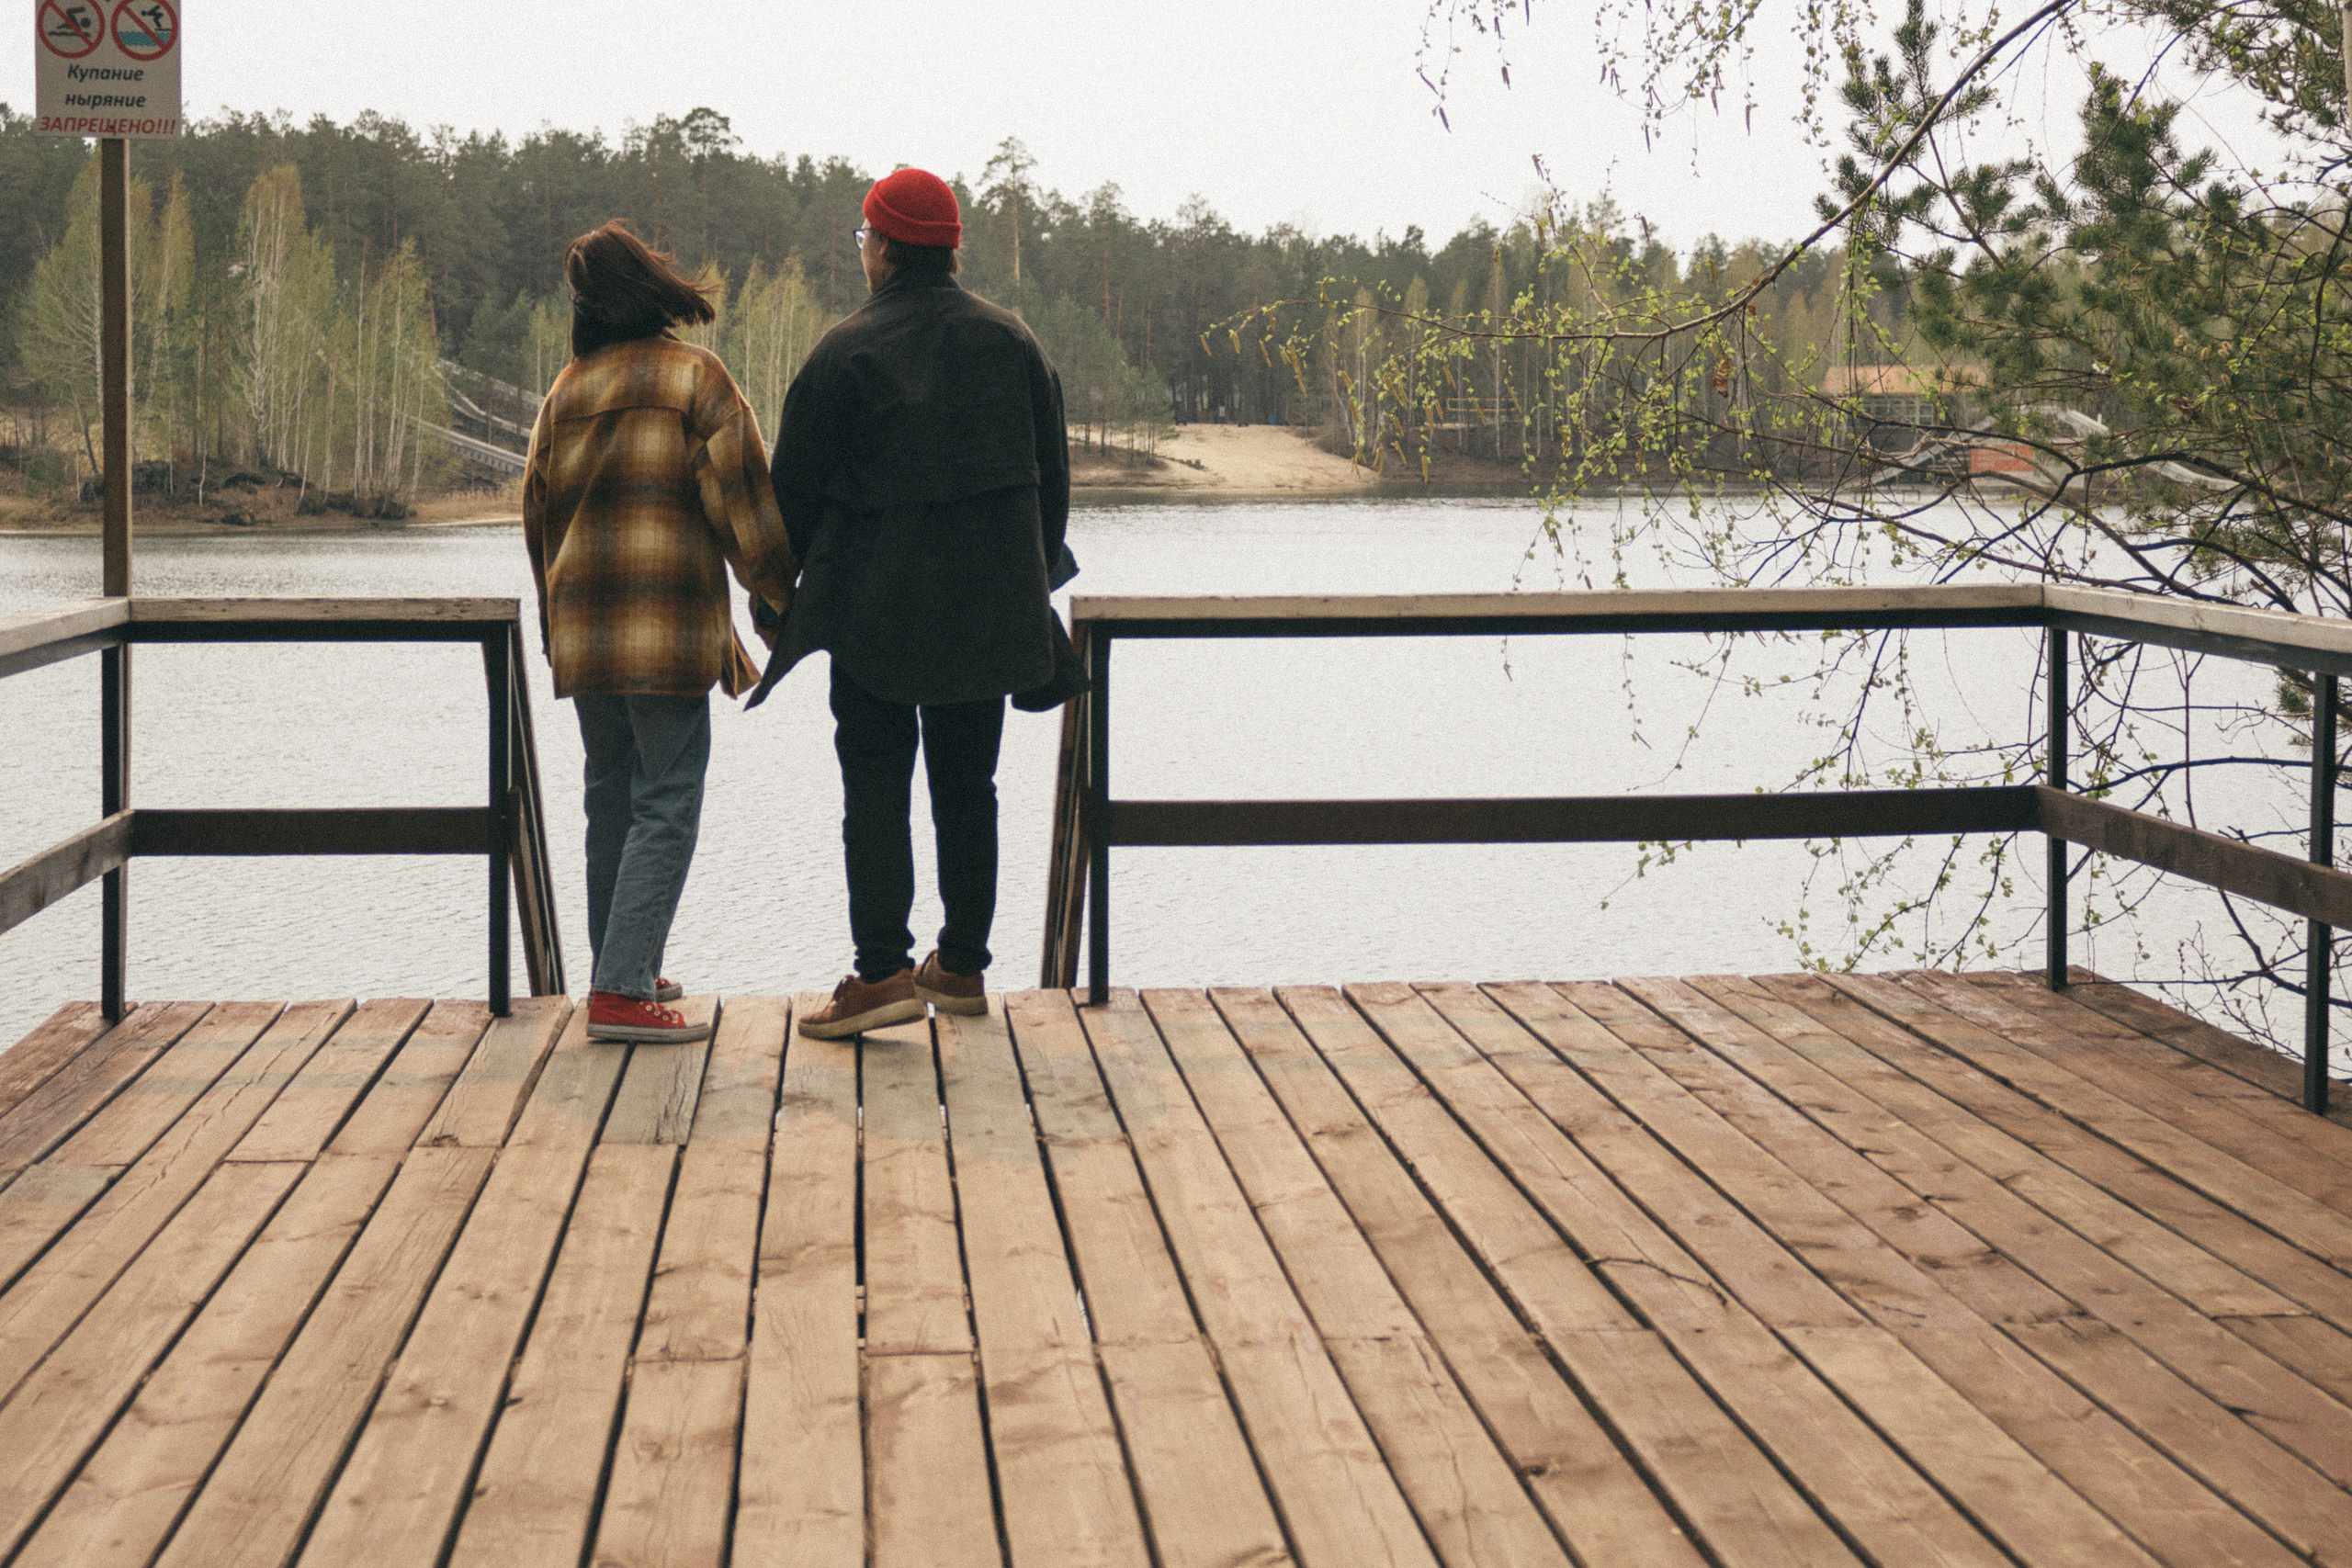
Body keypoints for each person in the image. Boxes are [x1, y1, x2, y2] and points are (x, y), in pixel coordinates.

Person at [750, 166, 1079, 1040]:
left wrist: (774, 604)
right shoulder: (1013, 343)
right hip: (984, 616)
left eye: (865, 236)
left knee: (875, 788)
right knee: (969, 787)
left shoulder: (843, 353)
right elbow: (1052, 490)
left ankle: (882, 973)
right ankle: (961, 967)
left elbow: (790, 500)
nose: (864, 249)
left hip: (873, 618)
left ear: (887, 248)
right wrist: (1023, 580)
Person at [524, 220, 797, 1044]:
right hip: (665, 627)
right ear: (650, 287)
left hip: (585, 630)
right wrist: (776, 596)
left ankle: (623, 968)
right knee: (668, 799)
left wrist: (555, 627)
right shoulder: (695, 378)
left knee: (609, 796)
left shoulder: (566, 391)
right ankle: (620, 988)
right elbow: (745, 503)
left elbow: (536, 517)